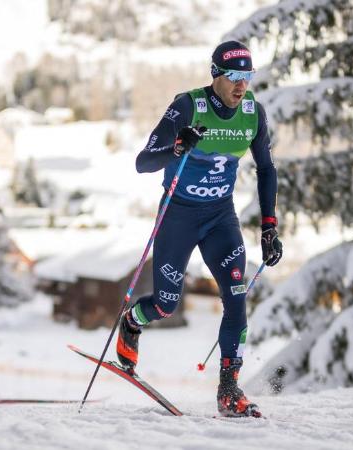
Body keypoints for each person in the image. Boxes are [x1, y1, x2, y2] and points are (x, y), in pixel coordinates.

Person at [117, 41, 283, 418]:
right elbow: (144, 162)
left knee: (236, 297)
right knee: (165, 304)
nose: (242, 85)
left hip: (219, 217)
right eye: (234, 77)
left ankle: (228, 389)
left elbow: (267, 170)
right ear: (216, 75)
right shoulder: (189, 105)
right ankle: (132, 320)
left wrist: (269, 228)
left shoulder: (253, 113)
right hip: (178, 215)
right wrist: (176, 147)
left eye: (248, 76)